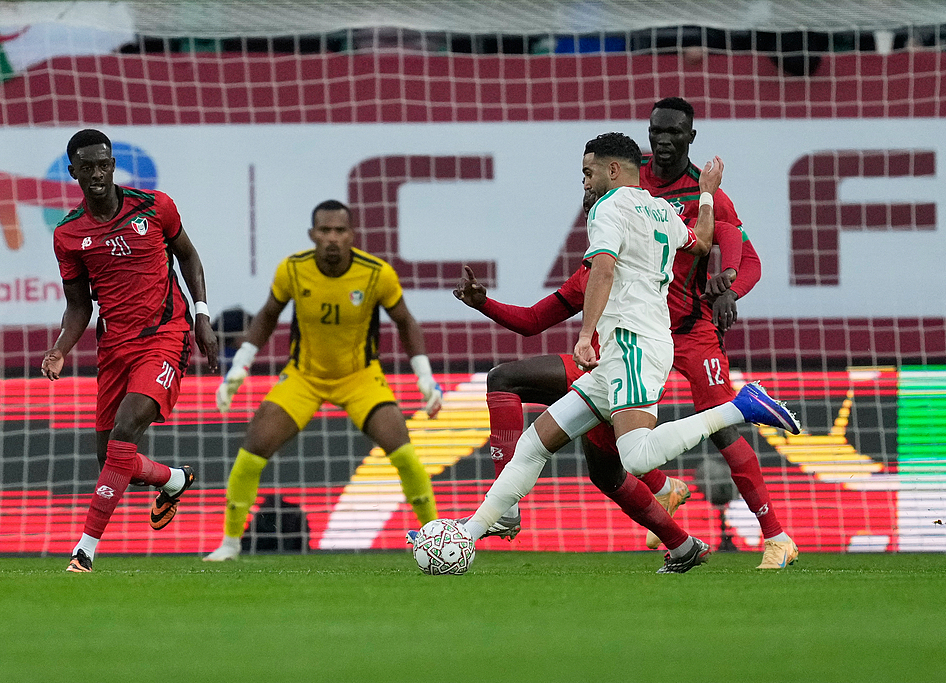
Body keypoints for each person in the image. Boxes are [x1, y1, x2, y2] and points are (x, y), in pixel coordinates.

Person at [457, 132, 800, 574]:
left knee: (635, 457)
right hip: (630, 347)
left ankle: (739, 408)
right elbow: (698, 242)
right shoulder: (660, 209)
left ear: (613, 170)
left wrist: (584, 336)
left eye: (588, 171)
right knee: (532, 444)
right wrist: (708, 195)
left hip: (633, 343)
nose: (584, 181)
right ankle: (464, 537)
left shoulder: (609, 207)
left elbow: (603, 267)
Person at [204, 199, 443, 561]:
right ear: (312, 235)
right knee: (253, 449)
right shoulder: (293, 270)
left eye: (340, 231)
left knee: (404, 452)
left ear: (352, 235)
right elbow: (268, 314)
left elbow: (406, 321)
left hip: (360, 377)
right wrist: (240, 365)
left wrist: (424, 376)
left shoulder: (376, 273)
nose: (333, 238)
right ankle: (230, 544)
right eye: (325, 230)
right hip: (305, 376)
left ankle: (436, 538)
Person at [42, 129, 219, 573]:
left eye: (104, 164)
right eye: (88, 167)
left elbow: (189, 257)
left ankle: (85, 549)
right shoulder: (68, 234)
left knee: (125, 431)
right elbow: (79, 305)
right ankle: (174, 480)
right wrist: (60, 349)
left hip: (166, 334)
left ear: (113, 165)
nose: (97, 173)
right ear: (74, 172)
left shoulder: (155, 206)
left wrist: (201, 315)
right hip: (115, 347)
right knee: (109, 459)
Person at [642, 97, 797, 569]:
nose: (664, 141)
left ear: (691, 137)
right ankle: (663, 491)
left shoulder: (709, 195)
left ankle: (777, 537)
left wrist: (729, 290)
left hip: (692, 330)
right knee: (611, 420)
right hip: (643, 331)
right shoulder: (631, 182)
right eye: (656, 132)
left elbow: (748, 260)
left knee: (724, 428)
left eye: (674, 133)